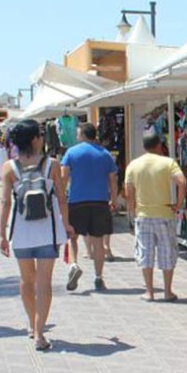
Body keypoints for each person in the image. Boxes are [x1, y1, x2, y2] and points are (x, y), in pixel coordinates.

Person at [0, 119, 72, 351]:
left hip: (21, 231)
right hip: (47, 231)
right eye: (40, 135)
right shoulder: (51, 164)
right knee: (44, 282)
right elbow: (61, 197)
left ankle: (32, 324)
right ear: (35, 140)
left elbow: (5, 203)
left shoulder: (9, 167)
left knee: (26, 279)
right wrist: (67, 224)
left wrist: (2, 234)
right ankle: (40, 332)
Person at [124, 132, 186, 302]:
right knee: (167, 252)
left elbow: (129, 192)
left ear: (144, 146)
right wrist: (178, 204)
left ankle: (150, 292)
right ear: (159, 145)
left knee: (145, 252)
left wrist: (132, 211)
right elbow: (182, 182)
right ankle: (167, 291)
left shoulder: (134, 165)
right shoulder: (168, 162)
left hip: (143, 215)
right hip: (165, 213)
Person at [61, 122, 118, 292]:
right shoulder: (105, 154)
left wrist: (61, 198)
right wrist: (113, 199)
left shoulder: (71, 152)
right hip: (100, 201)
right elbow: (113, 180)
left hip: (76, 200)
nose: (77, 137)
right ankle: (98, 277)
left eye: (78, 134)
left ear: (83, 135)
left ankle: (73, 264)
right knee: (98, 241)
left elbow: (64, 177)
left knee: (72, 237)